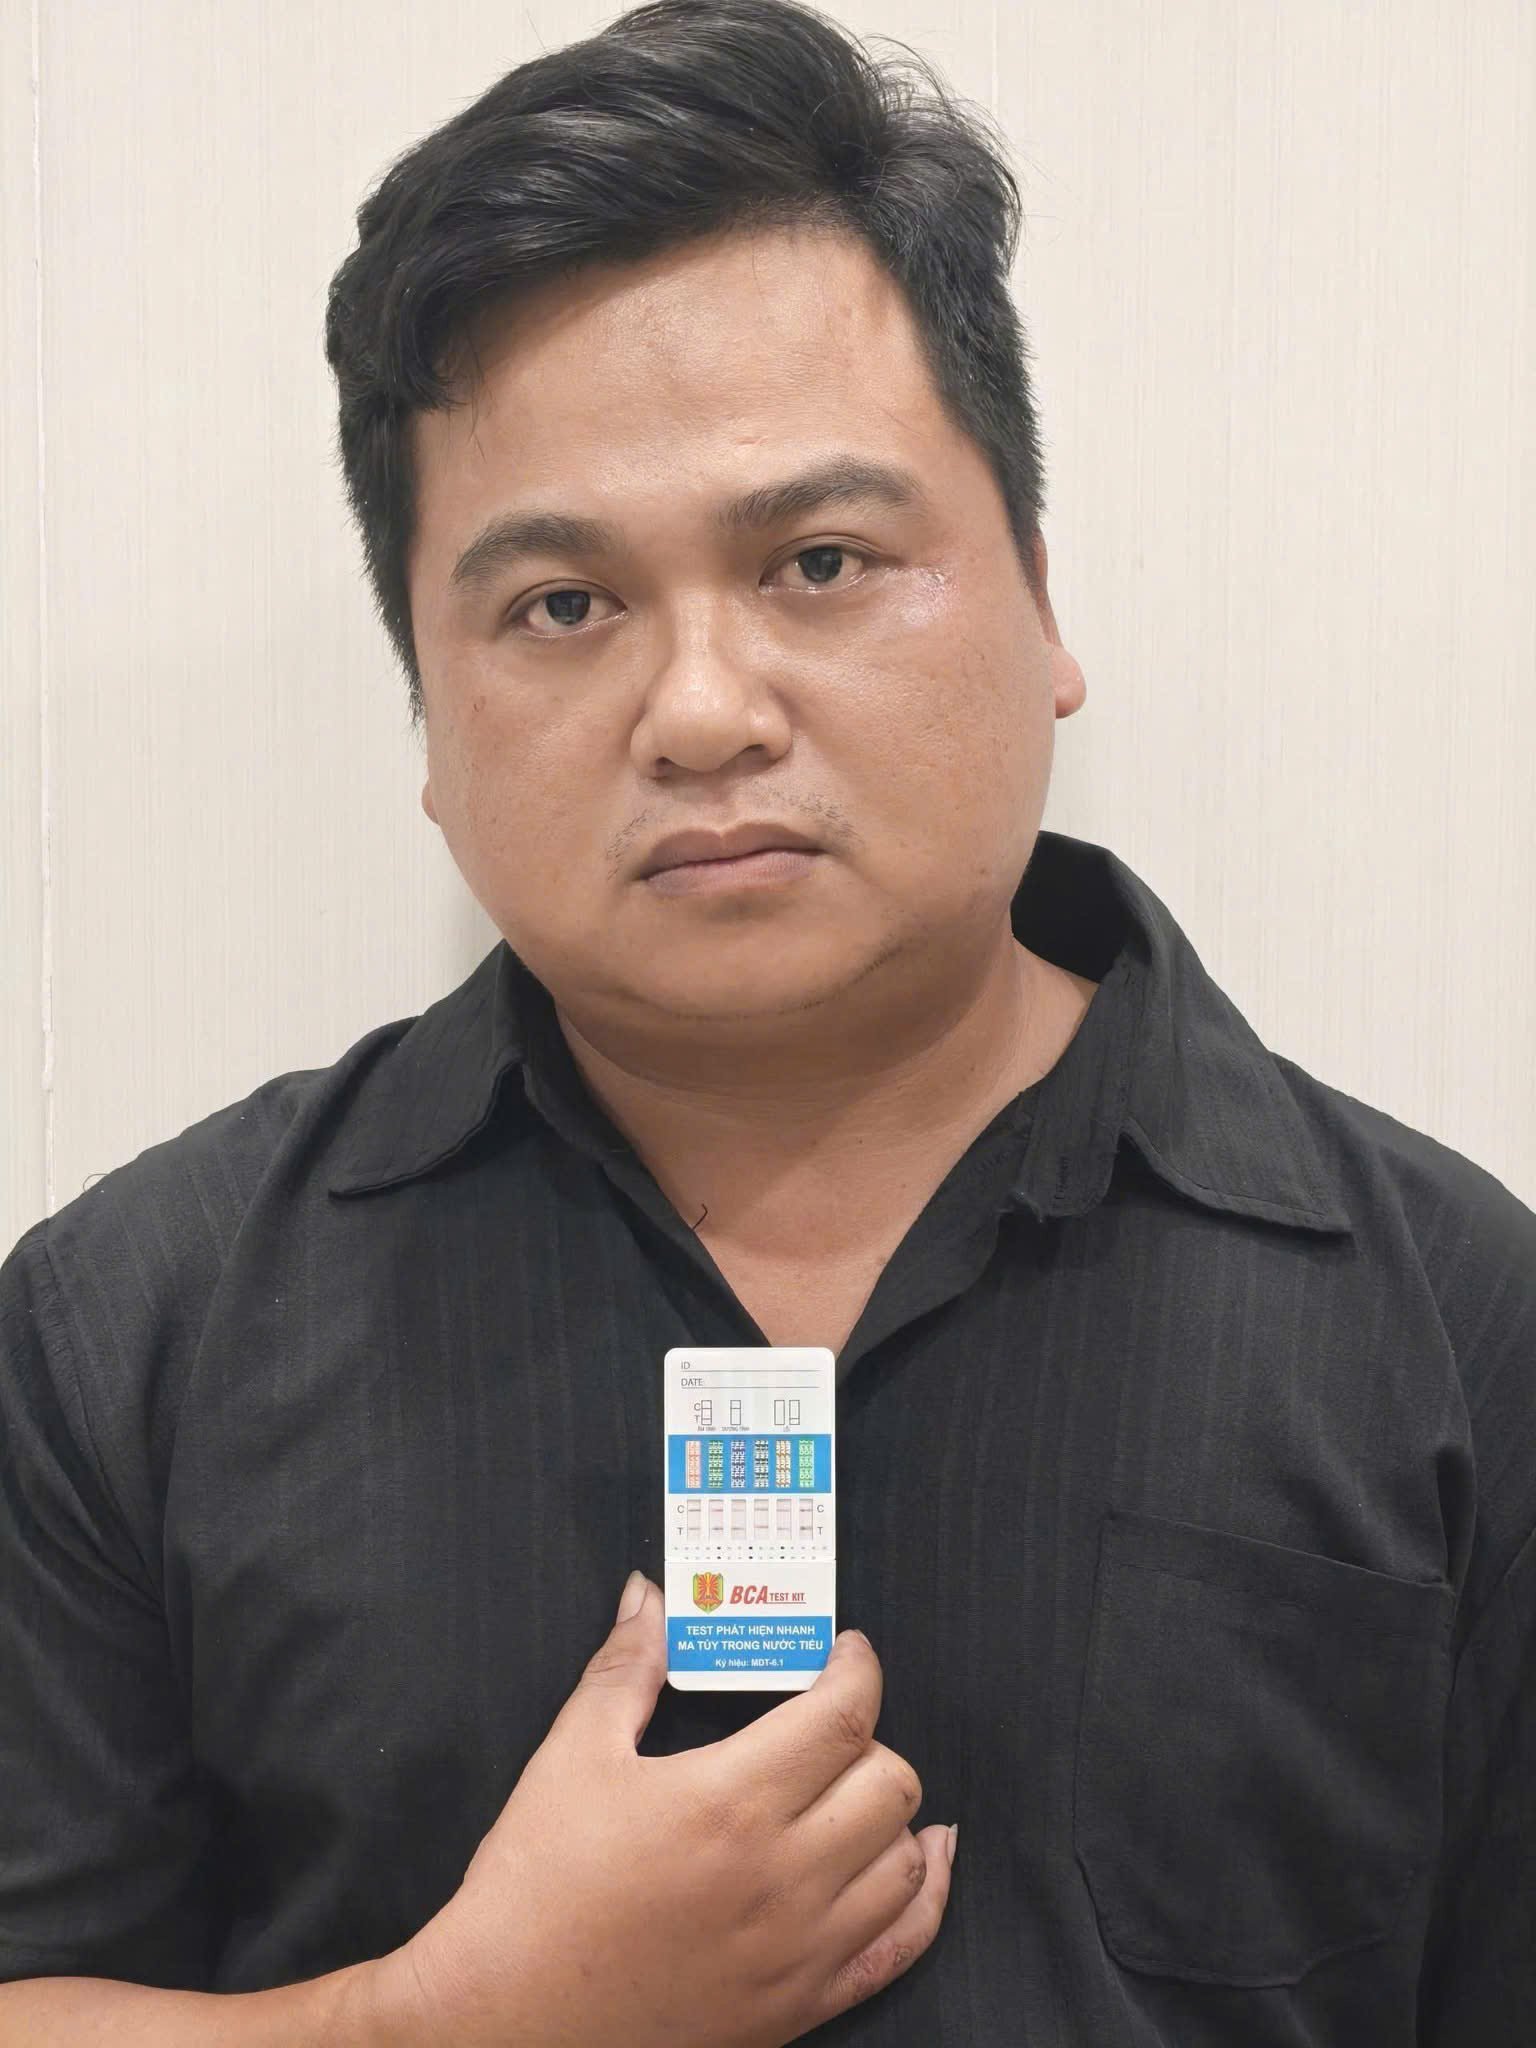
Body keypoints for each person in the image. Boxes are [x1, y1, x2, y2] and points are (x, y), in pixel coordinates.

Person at [1, 0, 1532, 2040]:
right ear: (429, 722)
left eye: (819, 558)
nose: (705, 711)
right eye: (563, 605)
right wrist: (444, 2023)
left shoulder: (1458, 1323)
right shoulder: (131, 1332)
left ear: (1041, 598)